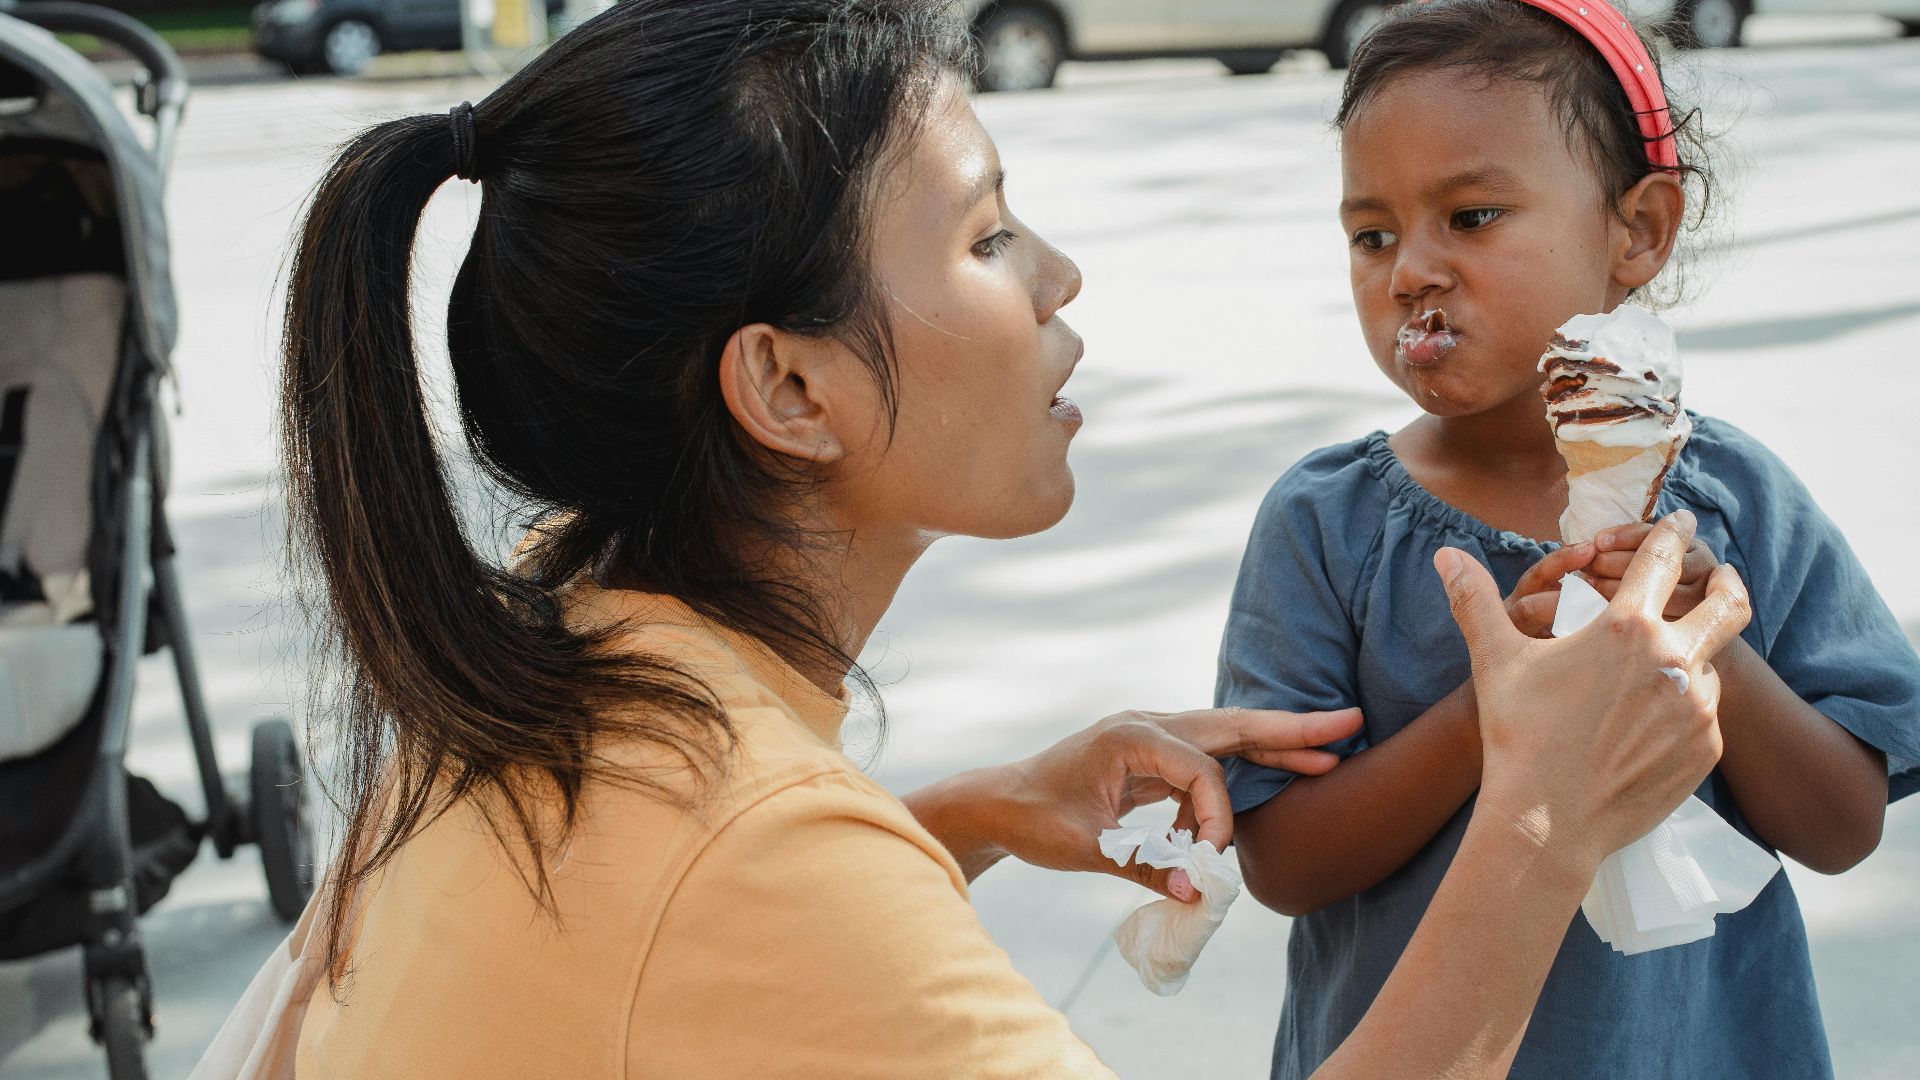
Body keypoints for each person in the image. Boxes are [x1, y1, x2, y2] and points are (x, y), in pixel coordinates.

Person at [193, 2, 1747, 1078]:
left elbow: (700, 952)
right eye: (989, 234)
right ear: (787, 385)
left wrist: (981, 812)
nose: (1059, 276)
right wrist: (1544, 817)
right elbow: (753, 900)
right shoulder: (756, 847)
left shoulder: (551, 628)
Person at [1217, 2, 1920, 1079]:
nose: (1410, 270)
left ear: (1637, 230)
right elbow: (1284, 860)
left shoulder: (1733, 504)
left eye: (1473, 215)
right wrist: (1493, 712)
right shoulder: (1325, 523)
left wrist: (1705, 642)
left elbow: (1843, 827)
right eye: (1372, 234)